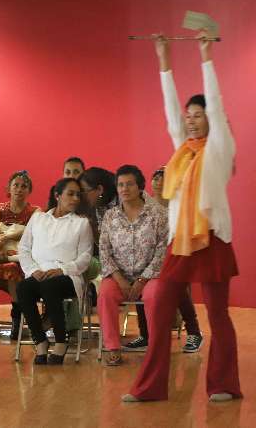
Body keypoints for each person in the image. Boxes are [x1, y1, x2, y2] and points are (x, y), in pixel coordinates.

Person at [124, 32, 239, 403]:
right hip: (181, 242)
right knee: (159, 305)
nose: (190, 121)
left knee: (218, 315)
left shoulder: (220, 149)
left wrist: (205, 56)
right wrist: (164, 59)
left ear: (211, 120)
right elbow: (170, 112)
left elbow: (218, 107)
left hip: (212, 238)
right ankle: (150, 387)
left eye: (198, 116)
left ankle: (223, 385)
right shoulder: (181, 152)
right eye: (188, 116)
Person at [125, 166, 204, 355]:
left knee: (178, 287)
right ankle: (145, 334)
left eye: (164, 178)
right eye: (156, 178)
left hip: (176, 254)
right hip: (148, 257)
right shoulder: (143, 203)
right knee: (141, 283)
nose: (159, 182)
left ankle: (194, 332)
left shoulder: (179, 204)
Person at [16, 178, 93, 364]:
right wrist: (33, 270)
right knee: (23, 288)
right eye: (70, 194)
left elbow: (86, 256)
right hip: (39, 273)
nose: (75, 198)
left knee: (51, 287)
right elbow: (24, 248)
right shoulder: (38, 217)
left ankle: (61, 340)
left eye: (77, 195)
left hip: (66, 276)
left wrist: (62, 270)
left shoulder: (81, 224)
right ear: (57, 195)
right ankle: (40, 340)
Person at [97, 165, 168, 366]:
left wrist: (142, 280)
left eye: (129, 184)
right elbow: (104, 251)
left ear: (140, 186)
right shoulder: (110, 216)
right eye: (120, 185)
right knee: (105, 295)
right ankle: (113, 348)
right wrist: (119, 280)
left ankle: (156, 348)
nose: (124, 189)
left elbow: (162, 252)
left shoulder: (159, 215)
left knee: (155, 296)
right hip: (118, 276)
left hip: (150, 276)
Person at [0, 170, 40, 339]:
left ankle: (17, 319)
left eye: (24, 186)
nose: (19, 189)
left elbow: (31, 234)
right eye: (16, 185)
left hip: (21, 256)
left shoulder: (36, 211)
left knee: (11, 269)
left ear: (29, 190)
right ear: (9, 188)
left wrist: (6, 236)